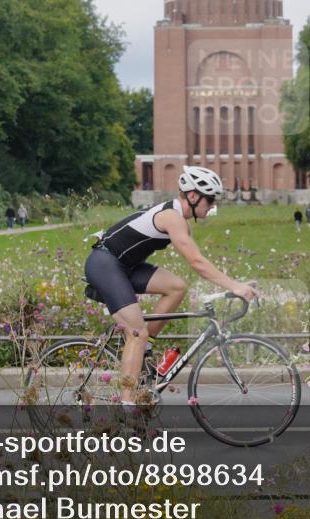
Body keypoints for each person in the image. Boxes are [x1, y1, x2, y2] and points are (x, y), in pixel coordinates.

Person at [85, 166, 256, 406]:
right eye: (210, 200)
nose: (212, 206)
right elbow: (197, 262)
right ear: (194, 196)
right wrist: (235, 286)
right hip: (104, 264)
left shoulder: (182, 221)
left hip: (126, 267)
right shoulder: (171, 217)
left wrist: (234, 283)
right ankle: (127, 404)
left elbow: (199, 260)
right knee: (136, 333)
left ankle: (145, 349)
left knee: (177, 287)